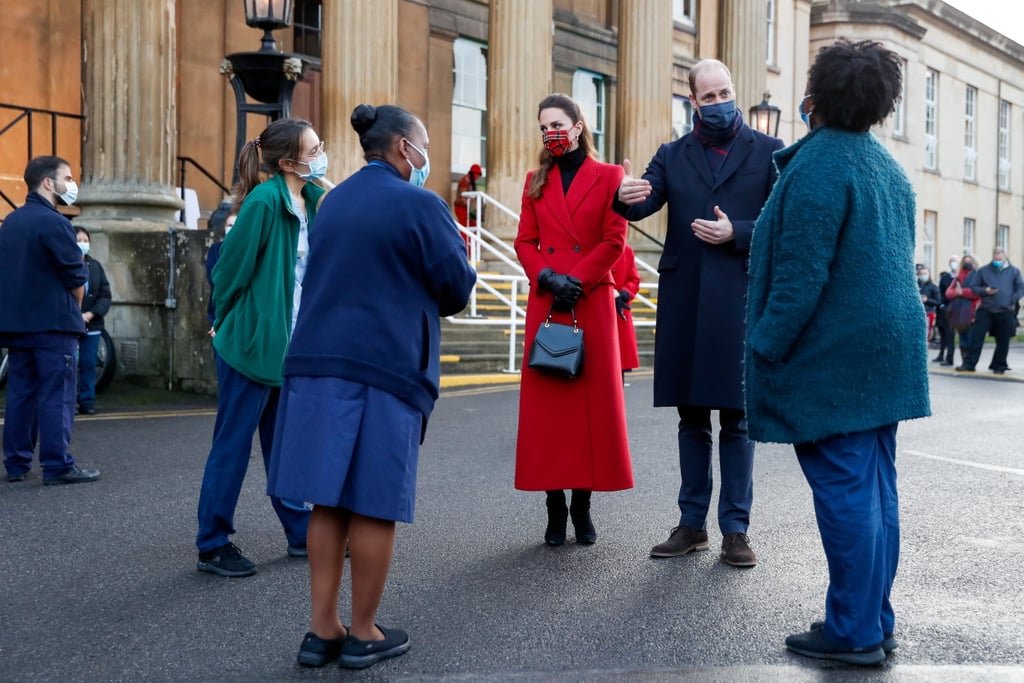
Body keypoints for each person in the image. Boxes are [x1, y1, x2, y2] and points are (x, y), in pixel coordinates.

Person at [266, 103, 475, 669]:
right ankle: (363, 632)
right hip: (383, 367)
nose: (428, 154)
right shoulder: (422, 203)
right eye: (425, 143)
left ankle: (321, 630)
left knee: (327, 498)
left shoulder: (332, 201)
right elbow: (455, 288)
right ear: (404, 148)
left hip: (314, 362)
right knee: (374, 503)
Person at [745, 39, 931, 666]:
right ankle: (873, 619)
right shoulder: (886, 165)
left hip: (837, 357)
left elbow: (800, 278)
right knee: (877, 490)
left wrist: (765, 344)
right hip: (886, 352)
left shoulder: (820, 166)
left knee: (849, 491)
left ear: (817, 95)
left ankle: (852, 632)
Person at [614, 59, 783, 567]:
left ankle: (735, 530)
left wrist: (739, 233)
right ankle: (691, 525)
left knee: (736, 419)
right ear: (693, 102)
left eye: (724, 93)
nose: (718, 103)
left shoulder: (770, 152)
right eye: (707, 97)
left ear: (736, 91)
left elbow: (782, 222)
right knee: (691, 418)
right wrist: (624, 196)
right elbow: (641, 203)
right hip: (686, 300)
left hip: (738, 299)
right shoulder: (672, 154)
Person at [196, 118, 327, 577]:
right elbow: (228, 269)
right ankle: (212, 543)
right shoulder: (263, 202)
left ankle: (299, 531)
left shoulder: (312, 198)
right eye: (314, 149)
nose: (321, 154)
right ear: (289, 161)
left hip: (289, 345)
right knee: (232, 445)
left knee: (285, 445)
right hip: (251, 343)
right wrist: (222, 318)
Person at [514, 93, 634, 547]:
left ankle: (582, 505)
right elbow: (524, 240)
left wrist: (574, 279)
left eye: (558, 124)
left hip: (589, 299)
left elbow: (614, 240)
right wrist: (546, 275)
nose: (551, 133)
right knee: (550, 413)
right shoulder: (533, 180)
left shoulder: (610, 177)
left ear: (580, 125)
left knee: (590, 409)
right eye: (544, 127)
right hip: (548, 297)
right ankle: (553, 506)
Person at [0, 156, 100, 485]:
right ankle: (57, 465)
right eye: (67, 178)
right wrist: (75, 308)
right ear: (48, 183)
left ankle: (16, 463)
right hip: (54, 325)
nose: (70, 184)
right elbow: (75, 278)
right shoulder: (55, 223)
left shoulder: (11, 222)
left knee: (20, 394)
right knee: (56, 395)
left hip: (17, 325)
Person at [956, 247, 1024, 374]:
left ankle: (999, 365)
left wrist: (1011, 299)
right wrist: (985, 291)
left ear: (1005, 258)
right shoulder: (983, 271)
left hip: (1005, 310)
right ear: (992, 257)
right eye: (995, 259)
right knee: (975, 337)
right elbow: (974, 287)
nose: (997, 261)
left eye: (1000, 259)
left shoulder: (1014, 272)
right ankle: (969, 363)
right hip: (986, 309)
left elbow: (1021, 288)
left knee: (1003, 340)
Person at [74, 227, 112, 415]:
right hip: (71, 324)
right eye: (79, 239)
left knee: (88, 364)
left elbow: (105, 295)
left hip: (92, 325)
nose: (83, 243)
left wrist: (90, 314)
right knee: (70, 365)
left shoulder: (95, 267)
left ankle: (87, 401)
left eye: (85, 240)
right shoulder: (66, 265)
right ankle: (69, 400)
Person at [611, 244, 641, 384]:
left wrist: (624, 293)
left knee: (618, 372)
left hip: (619, 313)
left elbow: (634, 280)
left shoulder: (627, 250)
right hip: (597, 313)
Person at [945, 254, 981, 367]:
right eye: (965, 262)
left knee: (971, 338)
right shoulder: (958, 277)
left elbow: (978, 293)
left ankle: (970, 363)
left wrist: (963, 292)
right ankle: (964, 362)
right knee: (963, 338)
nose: (968, 264)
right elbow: (948, 293)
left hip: (973, 310)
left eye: (970, 261)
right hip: (959, 312)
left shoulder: (979, 276)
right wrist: (956, 293)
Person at [453, 163, 483, 257]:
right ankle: (465, 251)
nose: (478, 177)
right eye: (478, 174)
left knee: (473, 227)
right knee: (465, 230)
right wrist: (471, 207)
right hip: (462, 208)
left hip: (467, 209)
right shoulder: (466, 180)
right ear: (474, 173)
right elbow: (462, 197)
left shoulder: (471, 180)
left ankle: (471, 251)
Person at [933, 255, 958, 364]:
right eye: (951, 262)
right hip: (944, 309)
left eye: (955, 262)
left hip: (955, 309)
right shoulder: (945, 277)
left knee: (950, 334)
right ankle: (941, 354)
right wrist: (942, 305)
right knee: (942, 333)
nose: (953, 264)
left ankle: (950, 357)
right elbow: (941, 292)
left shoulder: (960, 277)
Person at [917, 266, 941, 343]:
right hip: (916, 313)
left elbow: (938, 302)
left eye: (925, 273)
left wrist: (927, 300)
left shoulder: (933, 287)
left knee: (926, 336)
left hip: (928, 312)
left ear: (929, 274)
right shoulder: (915, 286)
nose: (923, 275)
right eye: (921, 273)